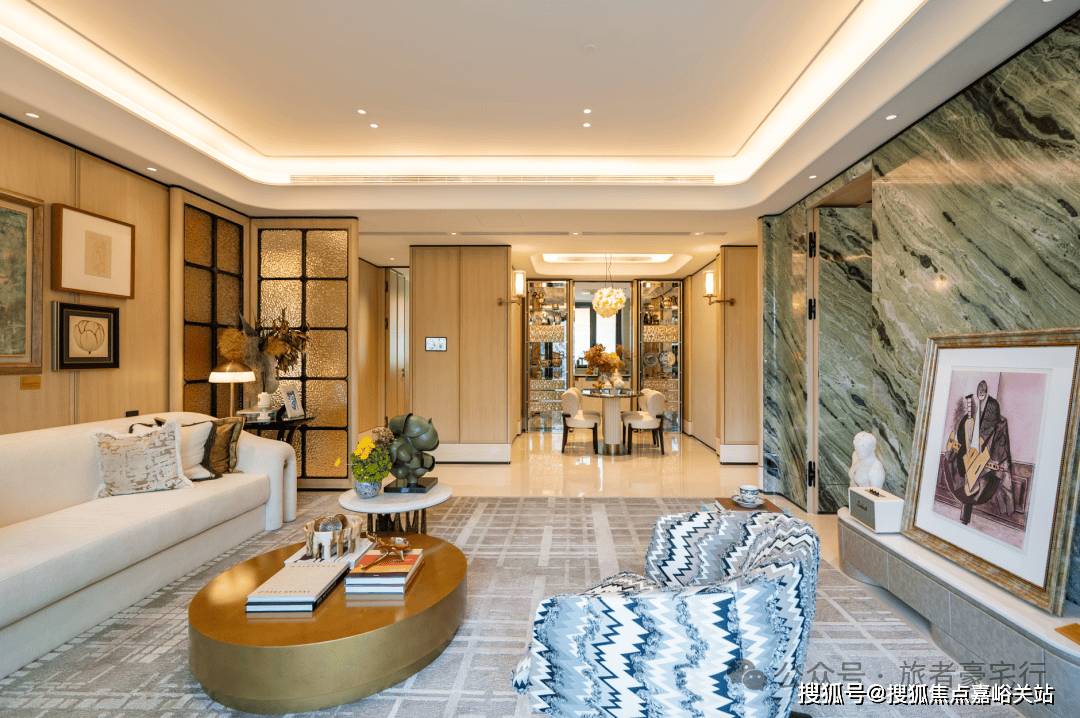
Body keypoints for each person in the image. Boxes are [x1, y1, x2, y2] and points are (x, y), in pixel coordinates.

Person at [942, 380, 1014, 525]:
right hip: (968, 463)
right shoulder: (969, 420)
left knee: (974, 482)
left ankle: (965, 515)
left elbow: (997, 454)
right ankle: (965, 515)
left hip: (981, 467)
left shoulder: (996, 425)